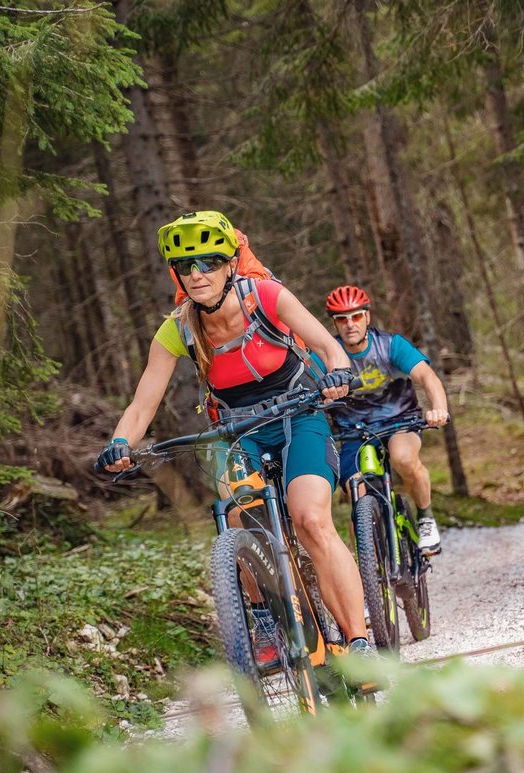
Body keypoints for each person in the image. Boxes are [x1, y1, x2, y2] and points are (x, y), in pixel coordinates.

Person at [96, 211, 373, 662]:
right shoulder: (178, 328)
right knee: (238, 520)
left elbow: (327, 345)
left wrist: (338, 372)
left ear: (230, 265)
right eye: (186, 266)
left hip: (297, 413)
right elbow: (142, 404)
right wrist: (120, 443)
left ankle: (359, 641)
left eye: (207, 261)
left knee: (312, 520)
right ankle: (265, 620)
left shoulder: (264, 296)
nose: (197, 273)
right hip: (237, 429)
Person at [325, 285, 449, 555]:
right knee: (354, 488)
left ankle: (426, 518)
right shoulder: (327, 354)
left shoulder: (390, 345)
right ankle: (371, 557)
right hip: (352, 431)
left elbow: (428, 377)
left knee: (403, 458)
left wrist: (438, 408)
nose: (349, 325)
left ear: (367, 317)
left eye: (356, 317)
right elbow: (310, 387)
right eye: (341, 319)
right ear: (334, 323)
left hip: (399, 421)